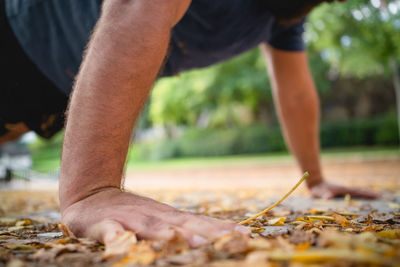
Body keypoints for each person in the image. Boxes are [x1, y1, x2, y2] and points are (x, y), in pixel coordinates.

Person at [1, 0, 380, 246]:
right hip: (19, 37)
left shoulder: (285, 15)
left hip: (63, 88)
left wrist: (314, 180)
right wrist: (91, 189)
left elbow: (296, 94)